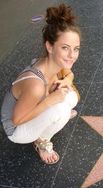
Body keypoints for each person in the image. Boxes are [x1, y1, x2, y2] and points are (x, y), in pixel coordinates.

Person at [0, 3, 81, 164]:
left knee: (71, 96)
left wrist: (66, 81)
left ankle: (52, 118)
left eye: (76, 48)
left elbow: (69, 74)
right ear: (49, 46)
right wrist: (50, 101)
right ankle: (41, 142)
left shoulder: (52, 62)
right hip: (16, 130)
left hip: (33, 106)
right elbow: (17, 120)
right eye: (65, 48)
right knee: (60, 110)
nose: (72, 55)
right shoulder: (35, 84)